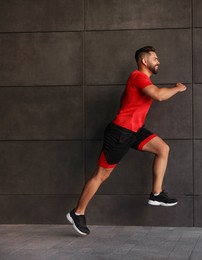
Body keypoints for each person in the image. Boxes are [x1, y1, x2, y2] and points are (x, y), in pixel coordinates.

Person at [66, 46, 187, 236]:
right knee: (101, 176)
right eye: (155, 58)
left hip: (134, 130)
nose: (159, 61)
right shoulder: (137, 76)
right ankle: (77, 212)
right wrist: (177, 89)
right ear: (144, 61)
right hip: (120, 132)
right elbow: (159, 96)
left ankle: (156, 194)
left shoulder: (142, 81)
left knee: (163, 149)